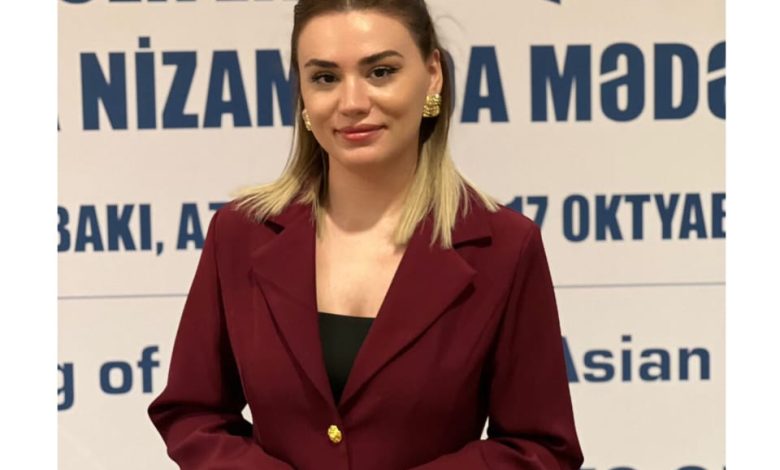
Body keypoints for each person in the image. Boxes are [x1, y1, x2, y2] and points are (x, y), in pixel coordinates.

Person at [147, 1, 584, 469]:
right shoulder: (239, 233)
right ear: (303, 94)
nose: (352, 102)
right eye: (325, 78)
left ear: (432, 75)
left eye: (380, 72)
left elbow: (540, 447)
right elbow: (192, 413)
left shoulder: (506, 247)